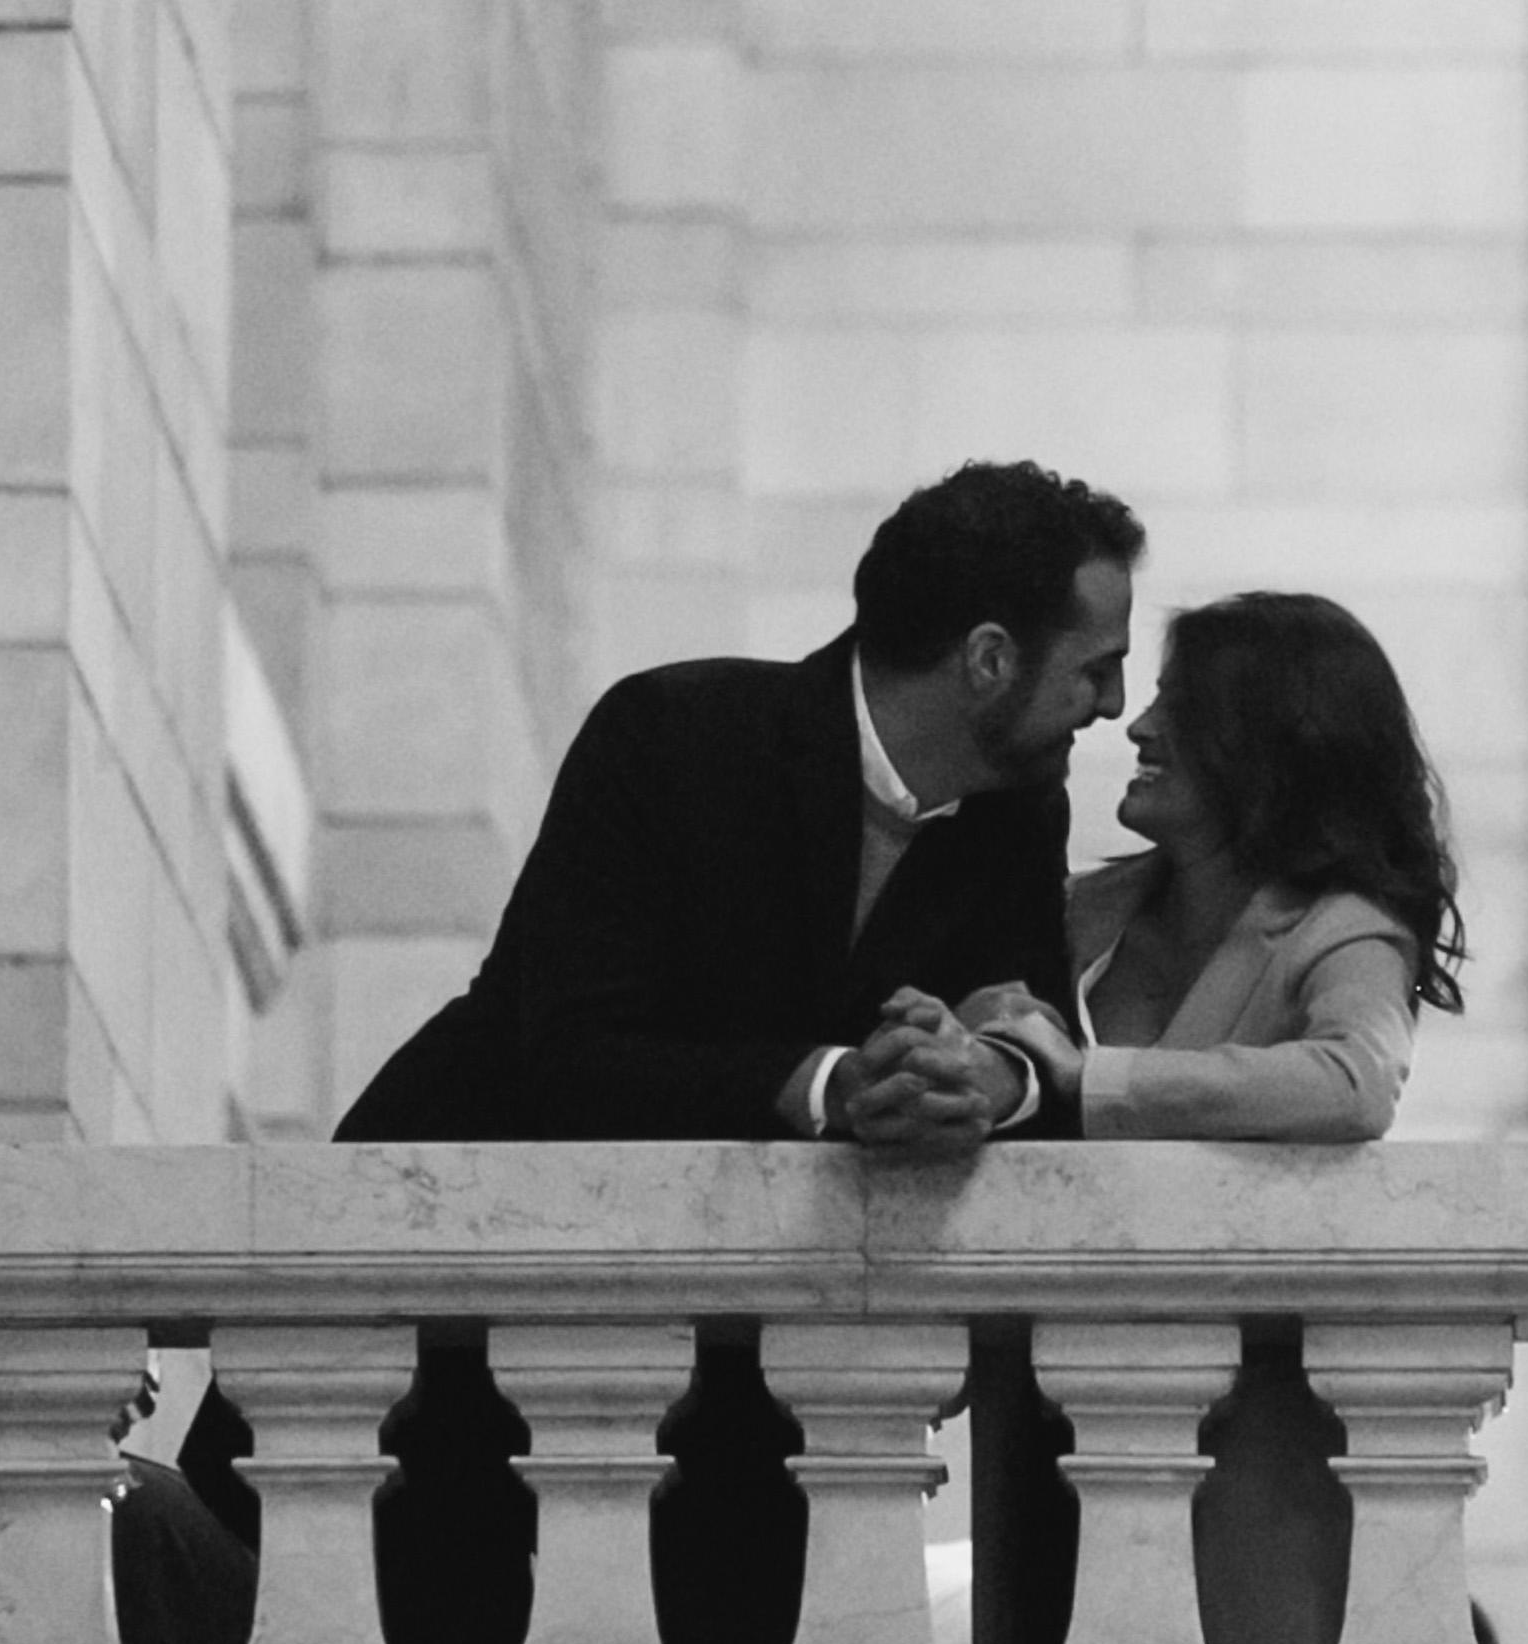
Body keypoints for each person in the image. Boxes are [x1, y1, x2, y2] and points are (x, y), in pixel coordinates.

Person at [331, 459, 1138, 1143]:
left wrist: (992, 1076)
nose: (1114, 706)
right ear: (989, 660)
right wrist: (831, 1083)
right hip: (441, 1218)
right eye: (1096, 670)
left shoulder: (1018, 814)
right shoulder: (671, 734)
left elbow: (1032, 1035)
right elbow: (573, 1051)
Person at [958, 587, 1462, 1142]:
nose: (1139, 727)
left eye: (1178, 708)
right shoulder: (1079, 906)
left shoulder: (1344, 932)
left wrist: (1088, 1077)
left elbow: (1357, 1083)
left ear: (1271, 747)